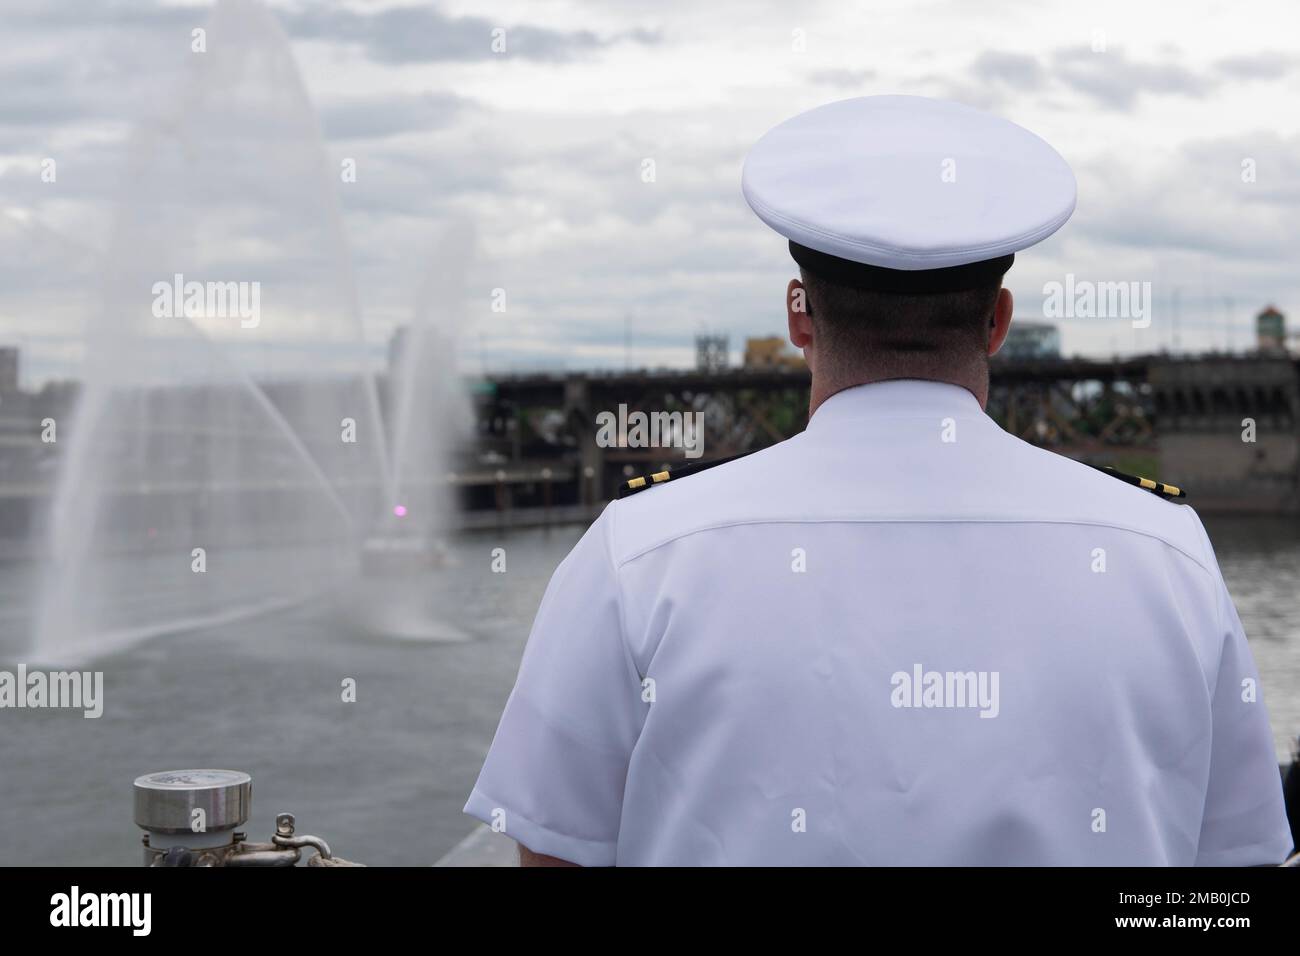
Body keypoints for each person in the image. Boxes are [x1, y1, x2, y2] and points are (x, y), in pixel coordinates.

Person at [463, 95, 1294, 866]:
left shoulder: (636, 555)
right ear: (998, 321)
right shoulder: (1166, 556)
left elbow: (553, 851)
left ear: (797, 314)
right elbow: (1232, 873)